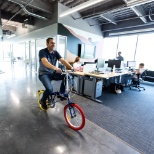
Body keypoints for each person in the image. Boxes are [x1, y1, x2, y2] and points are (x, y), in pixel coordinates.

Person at [38, 37, 73, 110]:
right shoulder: (42, 52)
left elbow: (63, 61)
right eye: (51, 43)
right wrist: (55, 68)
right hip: (44, 74)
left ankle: (61, 93)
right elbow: (45, 62)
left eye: (54, 43)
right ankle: (42, 100)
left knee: (66, 77)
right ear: (47, 44)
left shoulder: (55, 52)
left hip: (52, 73)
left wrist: (71, 68)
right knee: (50, 89)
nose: (53, 44)